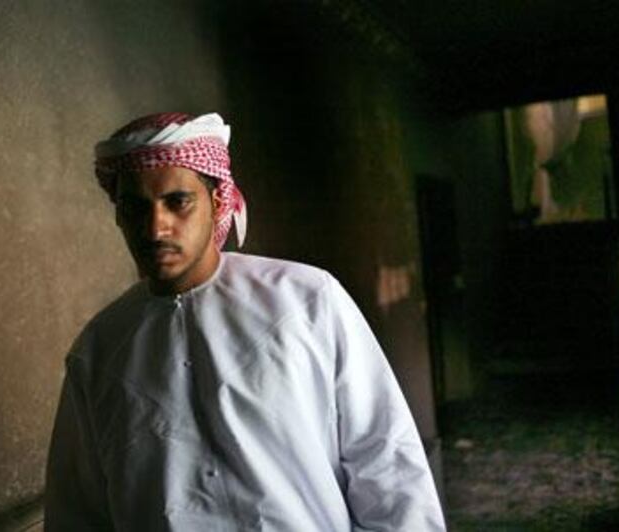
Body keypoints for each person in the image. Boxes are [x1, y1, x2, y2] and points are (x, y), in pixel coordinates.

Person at [45, 112, 446, 531]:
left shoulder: (306, 299)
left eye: (177, 202)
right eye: (135, 207)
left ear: (218, 201)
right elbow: (78, 509)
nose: (156, 226)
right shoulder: (100, 348)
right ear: (118, 216)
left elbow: (384, 457)